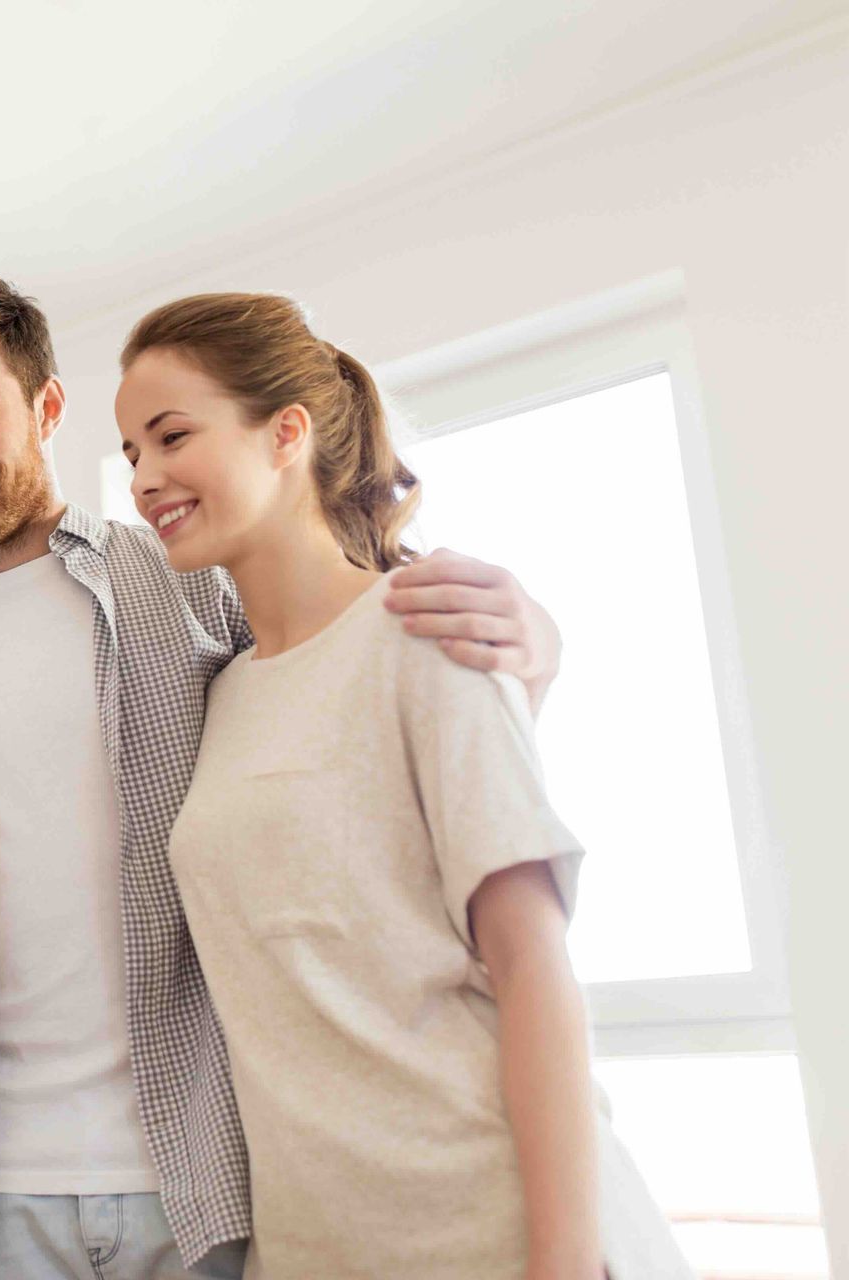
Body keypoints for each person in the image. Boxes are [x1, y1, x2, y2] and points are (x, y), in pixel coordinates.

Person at [0, 274, 562, 1280]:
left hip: (213, 1179)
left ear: (47, 409)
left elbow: (355, 659)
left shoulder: (194, 572)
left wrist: (538, 639)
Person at [116, 292, 690, 1279]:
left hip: (493, 1226)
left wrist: (560, 1260)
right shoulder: (218, 692)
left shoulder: (427, 631)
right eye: (129, 451)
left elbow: (533, 967)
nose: (145, 477)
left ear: (285, 432)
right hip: (319, 1245)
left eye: (171, 436)